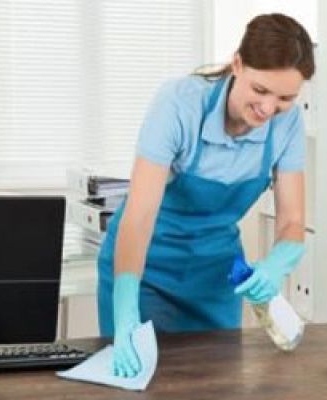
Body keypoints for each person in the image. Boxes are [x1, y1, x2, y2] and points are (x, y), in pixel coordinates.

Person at [97, 13, 315, 378]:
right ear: (237, 64)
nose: (268, 109)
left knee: (218, 384)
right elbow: (139, 215)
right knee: (142, 380)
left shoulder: (288, 124)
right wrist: (126, 312)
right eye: (260, 90)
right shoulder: (179, 104)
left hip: (215, 274)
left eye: (285, 98)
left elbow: (292, 220)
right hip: (146, 270)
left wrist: (277, 263)